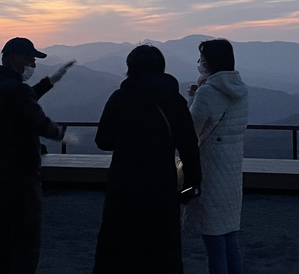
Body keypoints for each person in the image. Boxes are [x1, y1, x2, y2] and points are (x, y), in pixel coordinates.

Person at [93, 44, 201, 274]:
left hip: (124, 183)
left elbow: (102, 140)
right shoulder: (175, 100)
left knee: (119, 245)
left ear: (130, 68)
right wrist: (192, 183)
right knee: (162, 247)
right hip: (162, 183)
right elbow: (189, 147)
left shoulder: (120, 98)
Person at [0, 37, 68, 274]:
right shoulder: (16, 89)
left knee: (1, 239)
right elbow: (37, 120)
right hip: (22, 172)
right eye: (30, 59)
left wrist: (49, 82)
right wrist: (62, 134)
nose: (33, 65)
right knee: (25, 238)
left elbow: (20, 100)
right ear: (15, 58)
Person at [182, 39, 249, 274]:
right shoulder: (241, 90)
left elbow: (192, 131)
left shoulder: (207, 92)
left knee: (214, 243)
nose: (200, 64)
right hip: (231, 170)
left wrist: (193, 97)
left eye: (202, 59)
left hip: (209, 169)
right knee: (230, 240)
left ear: (210, 63)